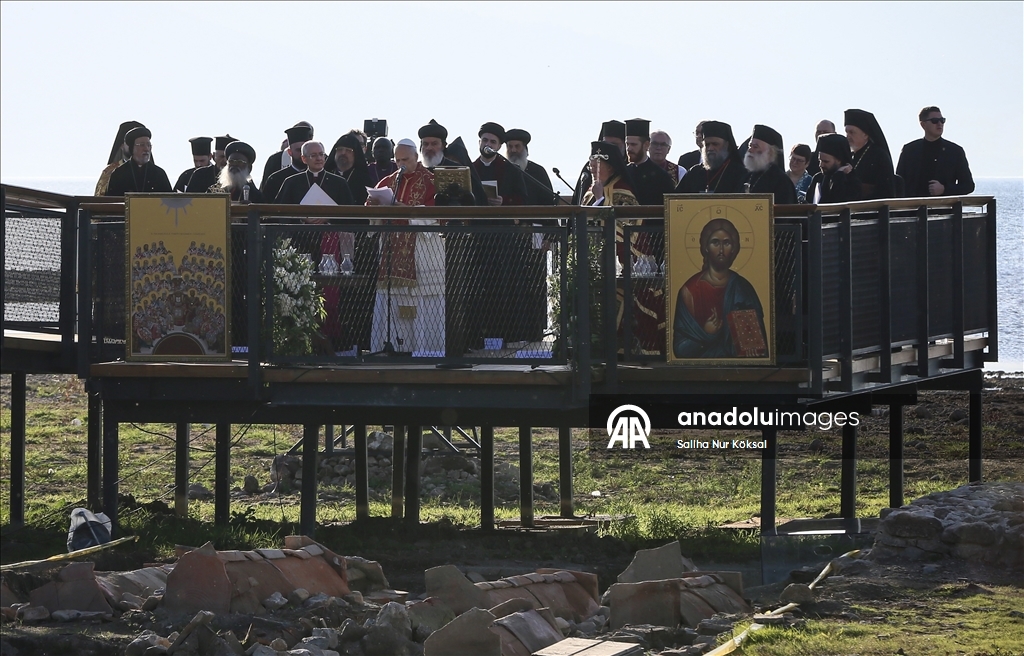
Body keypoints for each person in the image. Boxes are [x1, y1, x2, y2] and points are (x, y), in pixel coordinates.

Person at [365, 139, 444, 356]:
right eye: (397, 160)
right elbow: (371, 218)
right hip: (392, 253)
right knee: (392, 299)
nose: (400, 164)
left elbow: (437, 216)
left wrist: (404, 210)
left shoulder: (431, 181)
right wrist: (373, 207)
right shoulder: (388, 181)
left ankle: (425, 348)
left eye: (405, 160)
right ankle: (392, 346)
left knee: (424, 301)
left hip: (422, 254)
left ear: (416, 157)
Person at [673, 218, 767, 359]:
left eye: (727, 243)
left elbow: (757, 343)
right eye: (715, 242)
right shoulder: (690, 291)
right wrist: (707, 334)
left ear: (734, 248)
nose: (721, 249)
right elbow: (680, 349)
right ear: (706, 247)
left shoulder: (743, 288)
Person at [896, 106, 975, 197]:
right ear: (923, 125)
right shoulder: (909, 150)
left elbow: (968, 186)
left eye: (942, 120)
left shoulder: (955, 151)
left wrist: (944, 189)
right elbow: (899, 183)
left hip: (942, 210)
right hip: (914, 209)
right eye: (934, 121)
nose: (939, 124)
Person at [675, 121, 746, 194]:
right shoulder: (694, 173)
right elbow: (675, 199)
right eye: (707, 144)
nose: (710, 148)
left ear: (727, 145)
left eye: (715, 144)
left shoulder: (739, 173)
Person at [276, 141, 354, 206]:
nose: (318, 158)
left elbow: (348, 212)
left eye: (321, 154)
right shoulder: (291, 182)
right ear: (304, 159)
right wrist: (303, 218)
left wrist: (328, 218)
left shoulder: (339, 183)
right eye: (313, 155)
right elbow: (282, 211)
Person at [105, 126, 173, 195]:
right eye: (142, 145)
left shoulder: (159, 174)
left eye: (148, 145)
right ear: (132, 148)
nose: (146, 149)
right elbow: (111, 202)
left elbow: (169, 202)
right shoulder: (119, 174)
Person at [844, 109, 896, 200]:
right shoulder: (849, 156)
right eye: (846, 132)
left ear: (865, 135)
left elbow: (885, 191)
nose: (847, 136)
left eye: (852, 132)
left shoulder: (879, 156)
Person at [573, 120, 626, 204]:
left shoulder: (628, 169)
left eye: (614, 145)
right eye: (605, 143)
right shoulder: (590, 167)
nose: (608, 149)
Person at [625, 118, 676, 205]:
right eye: (627, 144)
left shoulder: (661, 177)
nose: (629, 149)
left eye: (633, 144)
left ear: (646, 145)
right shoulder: (623, 173)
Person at [742, 125, 797, 204]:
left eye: (755, 147)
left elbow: (785, 212)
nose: (750, 150)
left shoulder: (781, 181)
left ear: (770, 152)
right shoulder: (746, 177)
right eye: (750, 146)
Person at [805, 133, 862, 204]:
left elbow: (838, 201)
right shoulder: (818, 178)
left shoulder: (852, 182)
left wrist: (839, 176)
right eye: (820, 160)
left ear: (839, 160)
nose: (821, 165)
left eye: (826, 161)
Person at [505, 128, 556, 206]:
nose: (513, 150)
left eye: (517, 146)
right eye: (510, 146)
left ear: (525, 148)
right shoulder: (502, 169)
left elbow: (548, 201)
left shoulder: (538, 171)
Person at [263, 124, 313, 203]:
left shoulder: (319, 176)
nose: (302, 154)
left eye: (305, 150)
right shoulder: (275, 179)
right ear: (290, 152)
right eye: (298, 150)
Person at [95, 120, 144, 195]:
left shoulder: (157, 174)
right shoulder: (109, 172)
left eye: (141, 144)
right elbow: (100, 201)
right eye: (131, 143)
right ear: (122, 145)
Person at [326, 133, 372, 205]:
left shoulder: (364, 180)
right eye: (340, 149)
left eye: (348, 150)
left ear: (356, 155)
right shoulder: (326, 177)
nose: (343, 153)